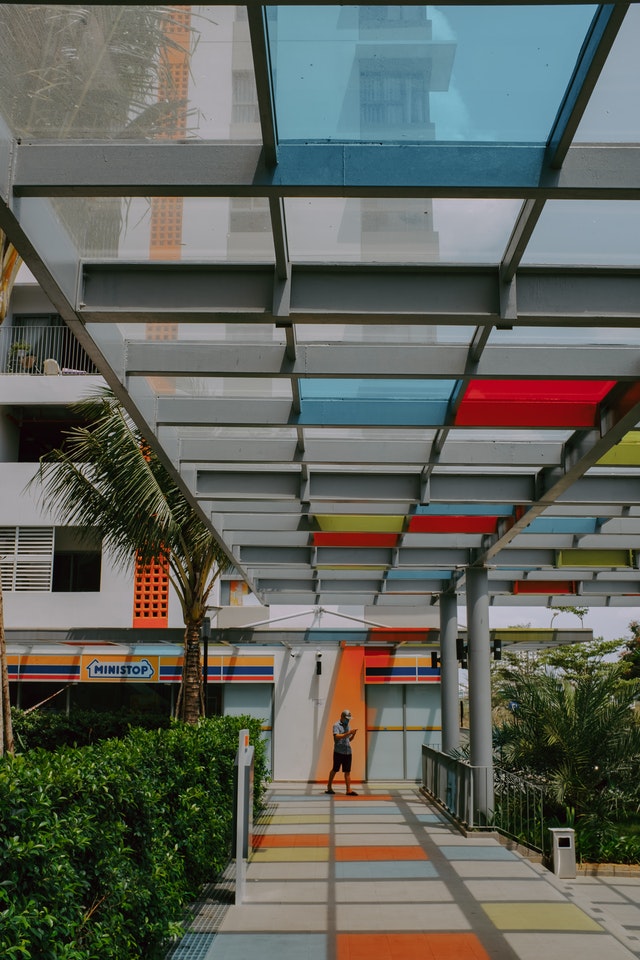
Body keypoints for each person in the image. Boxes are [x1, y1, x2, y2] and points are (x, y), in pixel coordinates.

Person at [325, 709, 358, 795]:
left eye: (349, 719)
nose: (348, 720)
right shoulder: (336, 725)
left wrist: (353, 734)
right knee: (335, 769)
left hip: (347, 751)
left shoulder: (348, 726)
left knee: (347, 771)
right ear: (342, 717)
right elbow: (337, 737)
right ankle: (329, 787)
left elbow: (348, 739)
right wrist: (348, 733)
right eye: (347, 718)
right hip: (338, 751)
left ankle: (348, 790)